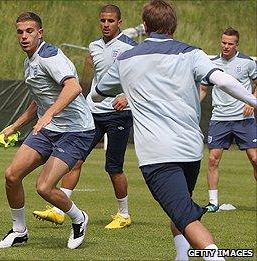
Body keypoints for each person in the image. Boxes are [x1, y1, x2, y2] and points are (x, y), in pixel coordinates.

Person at [91, 0, 256, 260]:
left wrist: (120, 91)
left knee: (185, 215)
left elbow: (98, 93)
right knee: (179, 210)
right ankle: (182, 257)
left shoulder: (125, 59)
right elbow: (222, 80)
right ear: (174, 26)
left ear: (145, 26)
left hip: (158, 156)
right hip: (191, 151)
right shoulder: (192, 53)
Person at [33, 4, 136, 230]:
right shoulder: (94, 46)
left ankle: (124, 214)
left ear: (120, 23)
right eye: (103, 20)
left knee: (114, 167)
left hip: (119, 113)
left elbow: (141, 76)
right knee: (75, 160)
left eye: (111, 21)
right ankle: (60, 210)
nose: (106, 24)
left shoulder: (130, 47)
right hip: (92, 112)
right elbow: (91, 79)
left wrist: (127, 97)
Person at [0, 12, 95, 250]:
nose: (24, 36)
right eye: (20, 32)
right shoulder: (28, 61)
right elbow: (39, 100)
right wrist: (15, 125)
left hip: (76, 130)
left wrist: (49, 115)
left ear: (40, 33)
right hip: (48, 128)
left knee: (44, 187)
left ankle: (79, 218)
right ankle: (19, 231)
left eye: (29, 31)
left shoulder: (50, 56)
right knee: (12, 176)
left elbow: (73, 88)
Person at [199, 27, 257, 213]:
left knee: (255, 159)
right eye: (223, 42)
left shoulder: (248, 63)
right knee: (213, 160)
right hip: (219, 119)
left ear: (236, 45)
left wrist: (252, 101)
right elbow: (203, 89)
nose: (226, 46)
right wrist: (191, 105)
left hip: (244, 119)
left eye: (230, 44)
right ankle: (213, 203)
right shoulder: (211, 63)